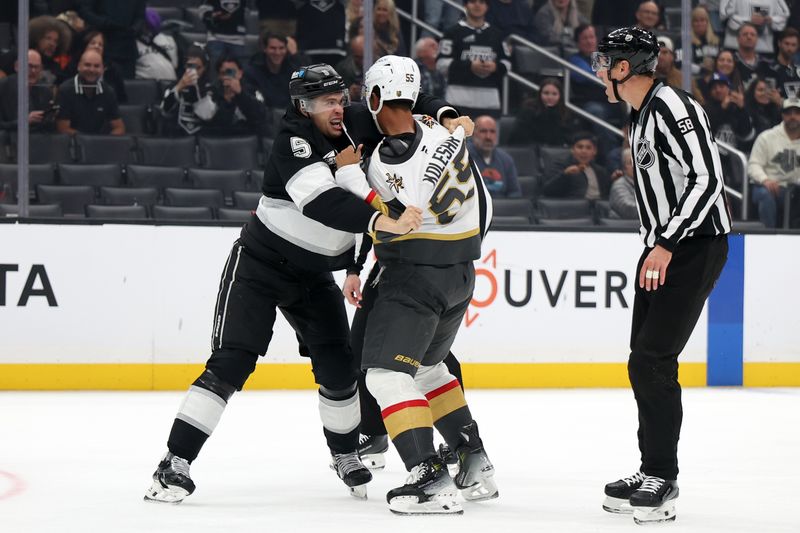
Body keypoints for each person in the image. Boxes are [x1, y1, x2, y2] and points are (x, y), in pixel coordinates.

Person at [143, 61, 471, 505]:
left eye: (340, 99)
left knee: (340, 372)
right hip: (260, 264)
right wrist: (383, 220)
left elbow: (404, 102)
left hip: (314, 274)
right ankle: (174, 463)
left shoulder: (355, 120)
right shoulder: (293, 140)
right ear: (303, 106)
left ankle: (344, 454)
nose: (337, 109)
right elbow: (323, 202)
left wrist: (445, 112)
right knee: (230, 364)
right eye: (324, 102)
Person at [341, 54, 496, 515]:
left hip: (415, 276)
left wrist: (350, 172)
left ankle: (427, 474)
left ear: (374, 97)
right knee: (429, 370)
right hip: (461, 274)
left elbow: (394, 217)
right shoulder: (444, 131)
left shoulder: (391, 158)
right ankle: (473, 456)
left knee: (387, 375)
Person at [592, 26, 730, 524]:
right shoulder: (641, 110)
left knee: (653, 359)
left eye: (605, 61)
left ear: (625, 68)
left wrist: (667, 244)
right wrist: (659, 244)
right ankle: (650, 466)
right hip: (665, 248)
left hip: (691, 248)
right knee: (642, 362)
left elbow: (708, 178)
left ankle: (662, 477)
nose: (600, 70)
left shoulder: (672, 106)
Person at [437, 0, 511, 119]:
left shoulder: (498, 35)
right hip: (457, 102)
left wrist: (495, 67)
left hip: (489, 104)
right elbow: (441, 64)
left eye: (482, 2)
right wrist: (469, 66)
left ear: (487, 6)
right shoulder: (452, 33)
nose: (477, 5)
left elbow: (507, 64)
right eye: (473, 1)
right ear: (465, 5)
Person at [747, 98, 800, 227]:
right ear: (782, 115)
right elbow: (753, 165)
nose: (792, 117)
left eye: (797, 113)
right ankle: (768, 236)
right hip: (768, 186)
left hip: (795, 189)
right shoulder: (767, 137)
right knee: (765, 195)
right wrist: (765, 180)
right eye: (788, 113)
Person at [56, 49, 125, 135]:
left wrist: (105, 141)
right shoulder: (65, 90)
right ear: (78, 66)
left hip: (100, 144)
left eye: (96, 66)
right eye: (87, 65)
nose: (92, 70)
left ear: (102, 69)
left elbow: (119, 128)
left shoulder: (108, 91)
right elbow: (63, 129)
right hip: (73, 145)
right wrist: (90, 141)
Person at [76, 0, 146, 79]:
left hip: (127, 48)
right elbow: (84, 11)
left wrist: (135, 28)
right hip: (102, 43)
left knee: (126, 85)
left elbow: (140, 16)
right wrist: (104, 23)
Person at [509, 77, 580, 146]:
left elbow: (568, 139)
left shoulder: (566, 114)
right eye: (546, 93)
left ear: (560, 96)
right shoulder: (528, 111)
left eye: (554, 94)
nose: (550, 97)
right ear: (540, 94)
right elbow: (519, 137)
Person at [0, 49, 57, 133]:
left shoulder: (45, 90)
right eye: (29, 66)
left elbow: (47, 129)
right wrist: (23, 122)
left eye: (37, 67)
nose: (33, 71)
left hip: (36, 141)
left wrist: (50, 117)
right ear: (17, 67)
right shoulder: (3, 87)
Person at [542, 131, 610, 199]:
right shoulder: (562, 165)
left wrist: (613, 181)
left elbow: (607, 194)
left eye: (588, 148)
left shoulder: (600, 171)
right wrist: (565, 174)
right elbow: (547, 191)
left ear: (595, 151)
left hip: (598, 207)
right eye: (580, 147)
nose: (584, 151)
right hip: (573, 207)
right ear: (572, 150)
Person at [467, 115, 522, 197]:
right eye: (483, 131)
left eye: (492, 132)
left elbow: (514, 193)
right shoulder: (463, 157)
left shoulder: (506, 160)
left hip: (502, 208)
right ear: (473, 134)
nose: (488, 137)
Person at [245, 32, 300, 109]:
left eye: (281, 48)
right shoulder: (252, 72)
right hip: (265, 116)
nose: (277, 53)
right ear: (265, 48)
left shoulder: (292, 69)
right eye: (273, 48)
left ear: (286, 50)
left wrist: (295, 55)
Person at [720, 0, 789, 56]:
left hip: (764, 48)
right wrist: (748, 20)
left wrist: (771, 19)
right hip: (734, 46)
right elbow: (724, 15)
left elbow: (785, 16)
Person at [135, 8, 180, 81]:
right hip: (146, 84)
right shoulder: (131, 43)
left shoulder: (169, 40)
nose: (148, 32)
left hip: (170, 84)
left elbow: (174, 65)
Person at [675, 5, 720, 77]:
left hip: (714, 79)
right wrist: (701, 70)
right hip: (692, 79)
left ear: (707, 22)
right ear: (691, 23)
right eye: (696, 21)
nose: (699, 24)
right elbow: (679, 63)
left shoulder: (716, 41)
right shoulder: (682, 41)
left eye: (702, 20)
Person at [758, 28, 800, 99]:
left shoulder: (798, 70)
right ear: (779, 43)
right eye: (787, 44)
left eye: (793, 45)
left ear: (798, 47)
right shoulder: (767, 68)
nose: (789, 48)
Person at [609, 147, 638, 219]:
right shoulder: (619, 185)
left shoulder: (649, 184)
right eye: (631, 162)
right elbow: (628, 209)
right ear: (624, 167)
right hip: (625, 227)